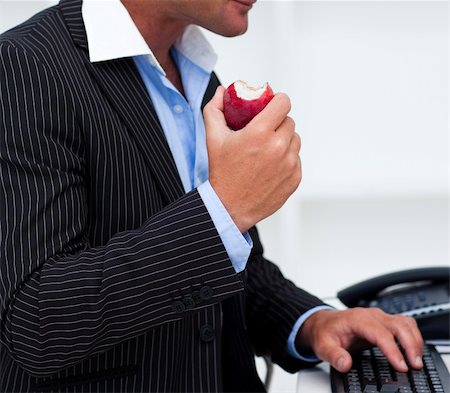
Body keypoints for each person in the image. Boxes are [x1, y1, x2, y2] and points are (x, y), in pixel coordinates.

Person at [0, 0, 424, 392]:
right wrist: (223, 210)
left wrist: (312, 322)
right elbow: (37, 321)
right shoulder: (24, 67)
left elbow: (230, 269)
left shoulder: (193, 71)